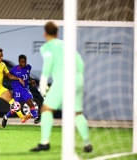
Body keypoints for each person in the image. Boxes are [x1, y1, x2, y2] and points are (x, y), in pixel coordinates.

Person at [30, 21, 93, 152]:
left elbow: (48, 63)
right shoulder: (68, 45)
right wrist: (78, 78)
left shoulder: (46, 47)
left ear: (45, 33)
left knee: (46, 109)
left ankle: (44, 143)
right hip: (77, 80)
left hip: (63, 80)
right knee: (77, 113)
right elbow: (80, 64)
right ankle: (87, 143)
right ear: (57, 33)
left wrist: (42, 83)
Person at [2, 54, 40, 128]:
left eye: (25, 62)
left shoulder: (28, 67)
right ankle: (6, 117)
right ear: (19, 61)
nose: (24, 64)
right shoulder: (14, 69)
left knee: (30, 102)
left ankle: (36, 118)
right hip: (17, 90)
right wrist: (15, 78)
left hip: (25, 89)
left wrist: (31, 81)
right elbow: (7, 77)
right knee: (16, 108)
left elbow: (27, 76)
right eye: (22, 62)